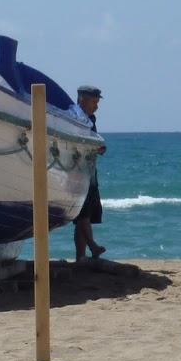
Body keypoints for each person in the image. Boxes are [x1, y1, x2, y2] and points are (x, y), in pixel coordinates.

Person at [73, 85, 106, 261]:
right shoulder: (75, 117)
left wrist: (98, 148)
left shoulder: (90, 119)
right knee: (83, 213)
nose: (97, 106)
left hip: (90, 171)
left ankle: (81, 256)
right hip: (78, 172)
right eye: (94, 101)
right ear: (82, 100)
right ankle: (92, 247)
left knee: (86, 214)